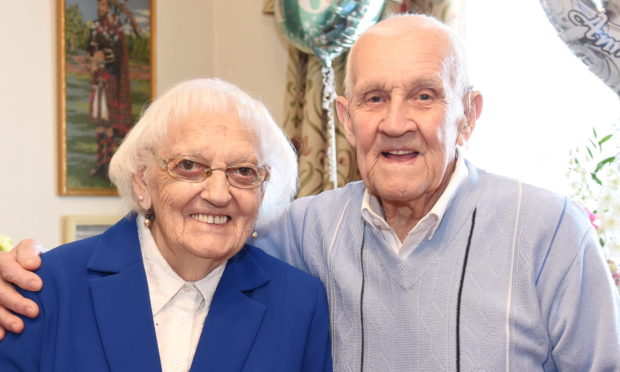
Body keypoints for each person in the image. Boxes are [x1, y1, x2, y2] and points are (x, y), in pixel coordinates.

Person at [1, 13, 619, 371]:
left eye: (425, 95)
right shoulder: (302, 231)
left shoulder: (549, 233)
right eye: (375, 97)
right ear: (346, 119)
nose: (397, 121)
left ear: (469, 114)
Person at [0, 78, 332, 371]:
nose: (218, 194)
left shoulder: (299, 303)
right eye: (188, 165)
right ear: (143, 182)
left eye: (243, 171)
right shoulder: (45, 287)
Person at [87, 0, 132, 177]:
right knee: (100, 122)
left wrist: (103, 56)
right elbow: (90, 48)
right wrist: (94, 56)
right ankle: (100, 163)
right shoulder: (96, 27)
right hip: (98, 80)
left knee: (109, 124)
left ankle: (109, 166)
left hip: (111, 81)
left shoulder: (115, 29)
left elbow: (118, 56)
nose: (100, 8)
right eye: (99, 5)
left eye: (104, 5)